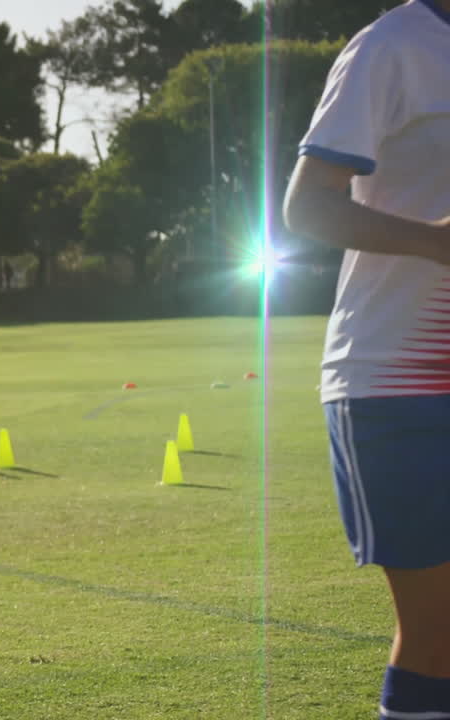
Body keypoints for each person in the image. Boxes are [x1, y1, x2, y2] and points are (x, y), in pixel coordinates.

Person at [283, 2, 450, 717]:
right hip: (398, 384)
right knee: (439, 633)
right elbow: (306, 207)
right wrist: (437, 240)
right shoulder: (392, 46)